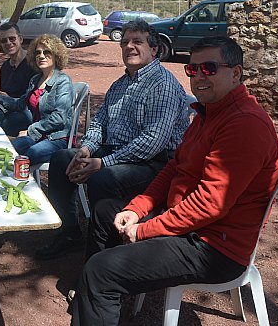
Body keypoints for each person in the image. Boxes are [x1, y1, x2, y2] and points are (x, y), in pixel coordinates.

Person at [71, 36, 278, 326]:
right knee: (106, 211)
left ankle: (99, 290)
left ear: (236, 73)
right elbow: (175, 167)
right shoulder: (208, 113)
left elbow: (210, 205)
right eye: (192, 69)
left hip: (213, 247)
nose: (198, 77)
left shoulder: (244, 124)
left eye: (208, 68)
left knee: (100, 271)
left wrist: (145, 230)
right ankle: (100, 302)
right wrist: (136, 208)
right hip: (188, 224)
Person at [36, 19, 189, 260]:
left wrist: (103, 163)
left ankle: (101, 256)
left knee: (102, 178)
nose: (129, 46)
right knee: (62, 158)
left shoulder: (163, 85)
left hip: (154, 163)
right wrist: (86, 149)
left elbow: (152, 141)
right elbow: (100, 123)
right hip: (116, 153)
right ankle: (70, 232)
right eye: (125, 42)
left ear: (154, 49)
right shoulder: (120, 84)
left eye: (138, 42)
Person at [0, 34, 74, 166]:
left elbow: (59, 118)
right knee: (4, 151)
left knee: (24, 157)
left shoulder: (63, 81)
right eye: (37, 52)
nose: (41, 56)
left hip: (57, 138)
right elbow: (20, 104)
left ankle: (17, 185)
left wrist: (30, 130)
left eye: (47, 52)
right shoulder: (35, 80)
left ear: (56, 55)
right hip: (37, 136)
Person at [0, 22, 36, 136]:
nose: (8, 43)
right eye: (4, 40)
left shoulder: (33, 64)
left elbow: (35, 101)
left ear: (20, 39)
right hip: (7, 110)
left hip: (28, 113)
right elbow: (2, 95)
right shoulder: (5, 67)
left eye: (12, 38)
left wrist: (8, 100)